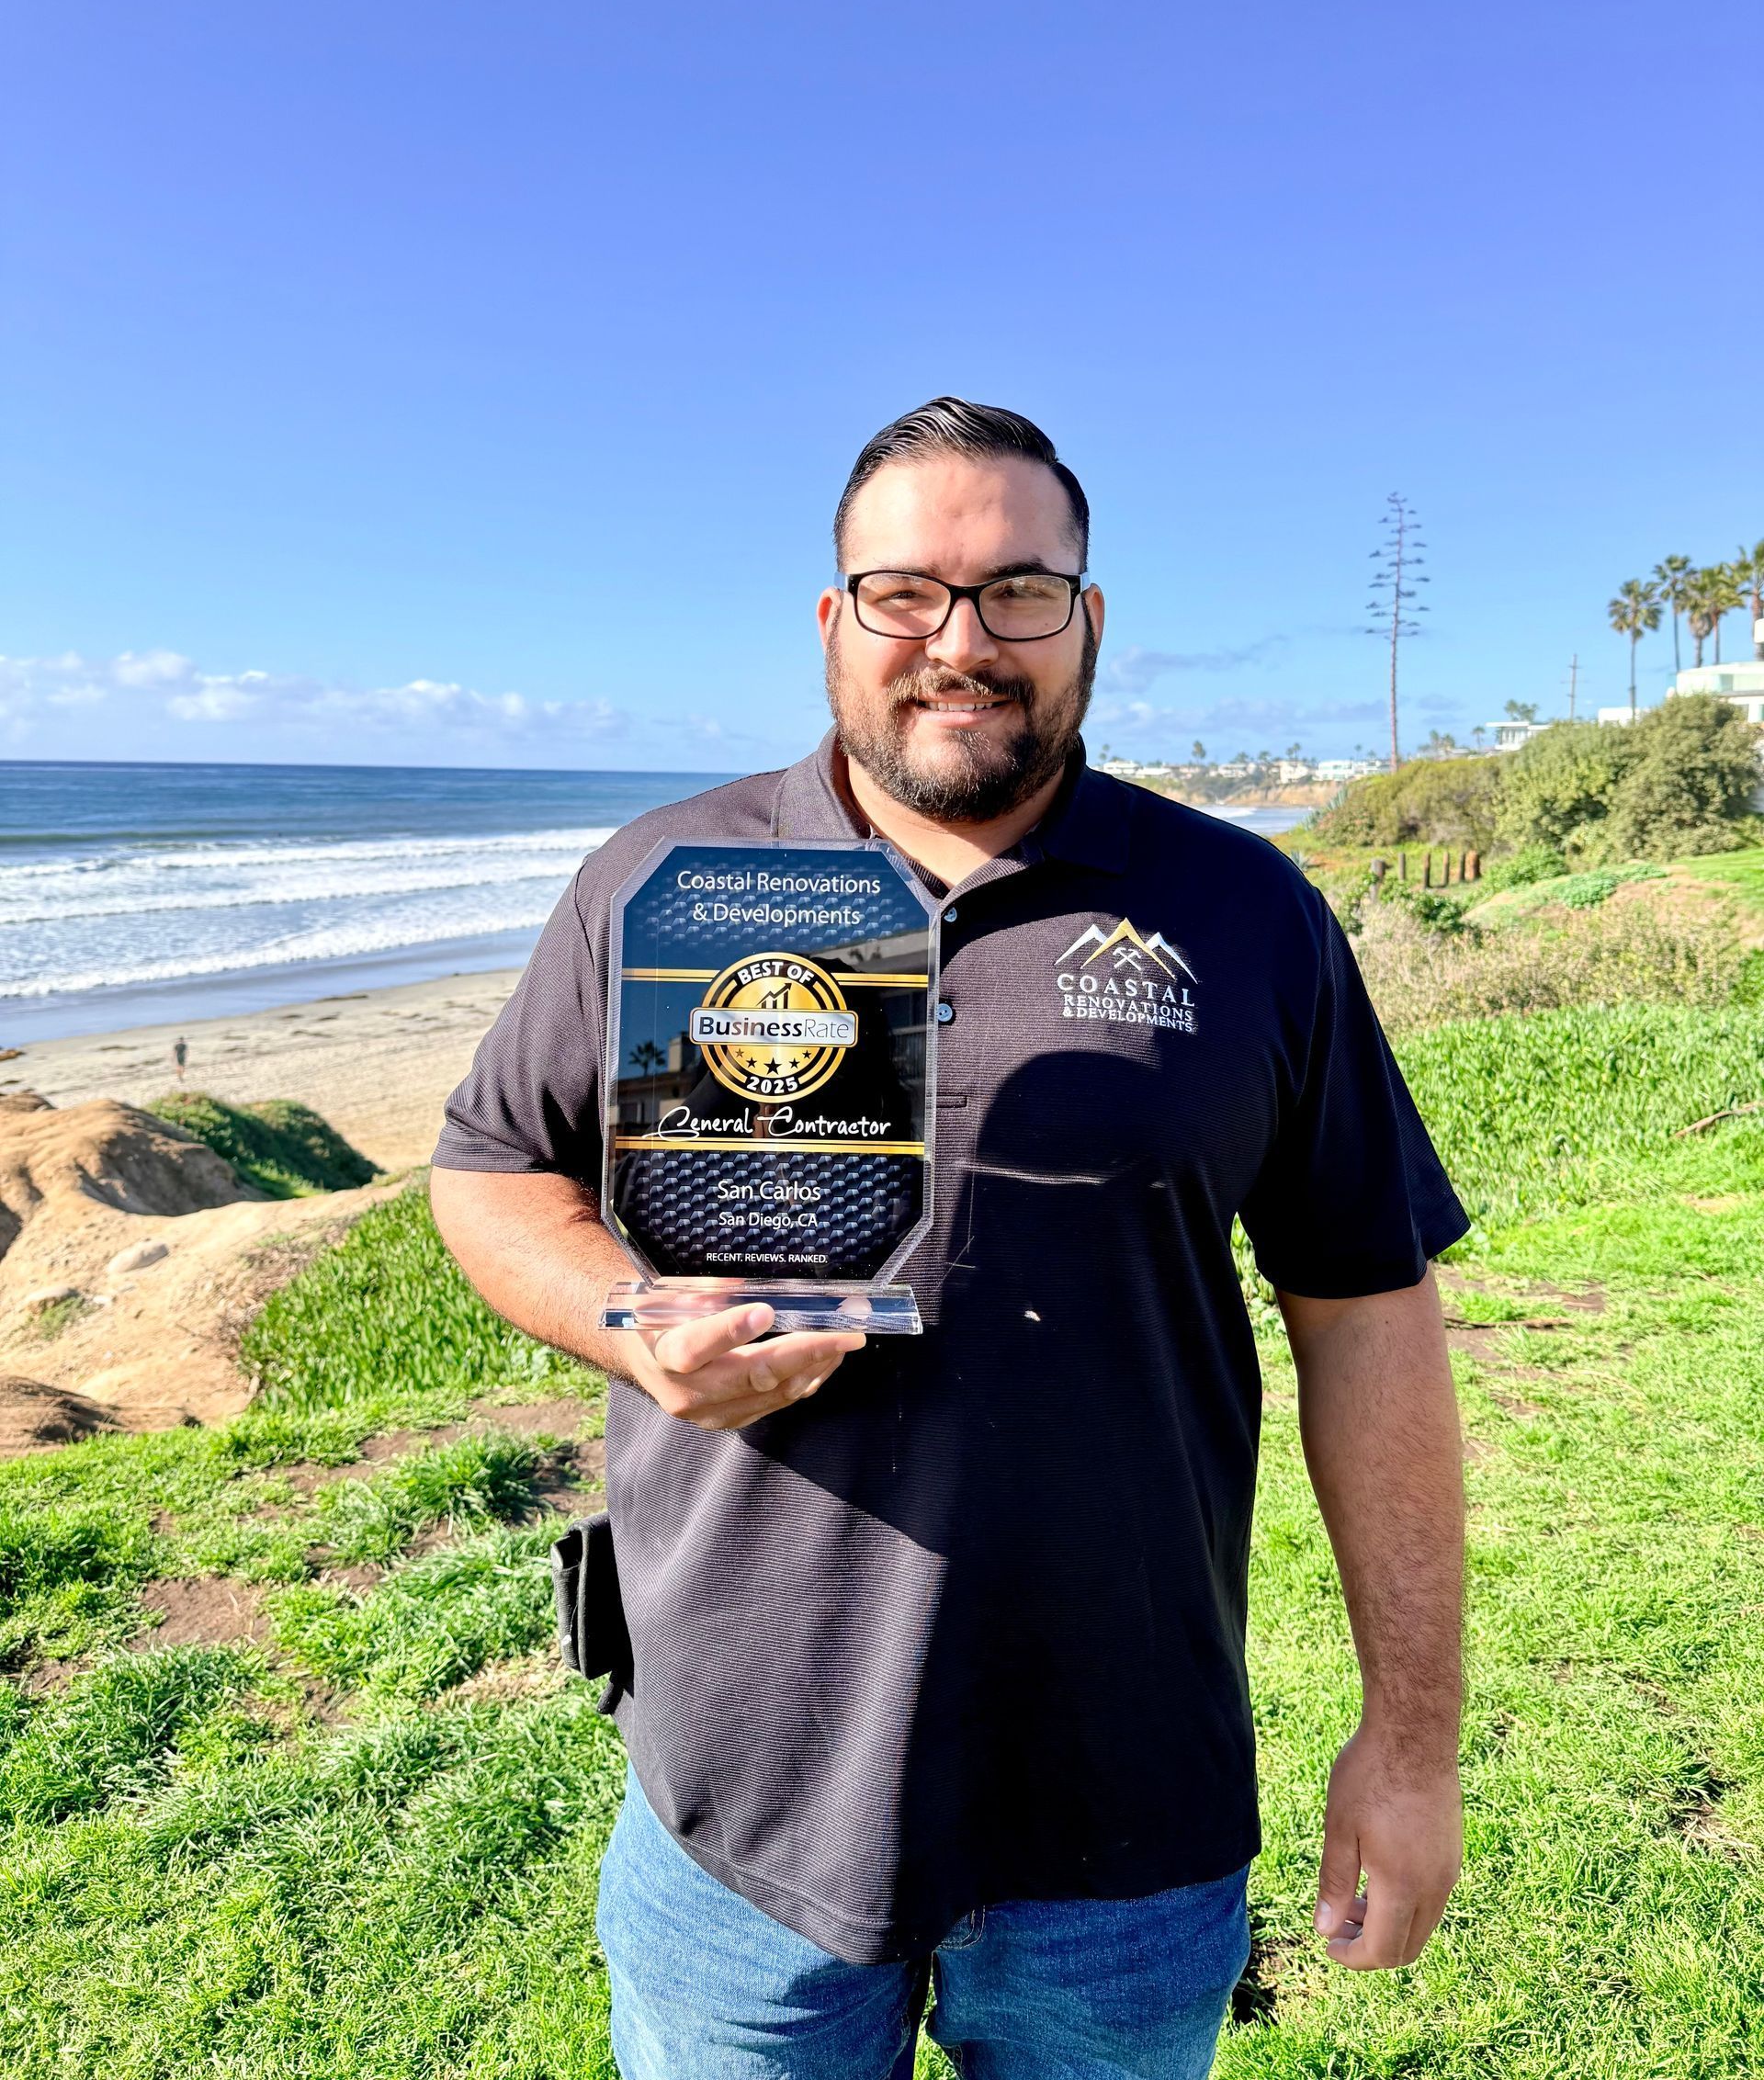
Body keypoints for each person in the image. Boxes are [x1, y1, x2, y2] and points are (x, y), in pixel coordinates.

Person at [431, 397, 1469, 2080]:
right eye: (906, 592)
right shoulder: (662, 882)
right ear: (837, 619)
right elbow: (487, 1171)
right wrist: (624, 1319)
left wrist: (1410, 1744)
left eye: (1017, 593)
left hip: (1126, 1815)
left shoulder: (1241, 908)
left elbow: (1365, 1308)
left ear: (1090, 620)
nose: (961, 642)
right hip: (740, 1814)